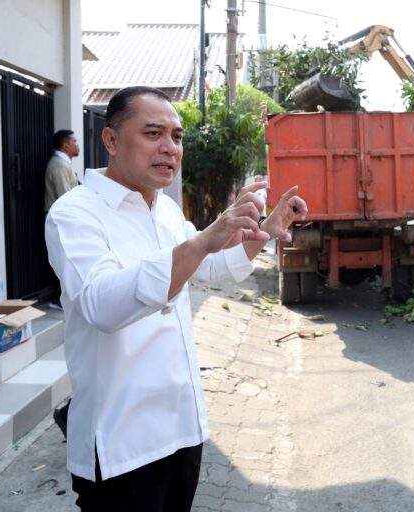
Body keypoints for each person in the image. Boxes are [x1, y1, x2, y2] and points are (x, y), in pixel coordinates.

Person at [45, 85, 307, 511]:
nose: (170, 147)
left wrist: (263, 235)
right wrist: (203, 240)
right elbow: (100, 305)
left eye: (177, 136)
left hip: (181, 429)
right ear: (111, 140)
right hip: (120, 444)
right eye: (153, 134)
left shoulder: (164, 209)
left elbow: (209, 268)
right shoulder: (75, 213)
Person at [44, 129, 80, 312]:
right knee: (62, 257)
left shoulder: (63, 163)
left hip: (65, 218)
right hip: (60, 220)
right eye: (74, 141)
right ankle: (57, 299)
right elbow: (64, 197)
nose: (77, 144)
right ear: (65, 145)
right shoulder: (58, 165)